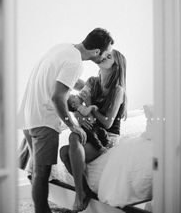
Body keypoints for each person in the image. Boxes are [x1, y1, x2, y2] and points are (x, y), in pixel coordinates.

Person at [17, 28, 114, 213]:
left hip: (28, 114)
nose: (105, 57)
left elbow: (66, 79)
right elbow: (57, 98)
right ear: (96, 52)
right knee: (42, 173)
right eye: (105, 54)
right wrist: (72, 126)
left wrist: (87, 86)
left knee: (37, 171)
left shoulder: (64, 48)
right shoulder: (75, 63)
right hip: (44, 120)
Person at [60, 49, 127, 212]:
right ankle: (83, 191)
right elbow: (76, 106)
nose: (104, 56)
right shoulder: (91, 82)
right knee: (65, 150)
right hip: (91, 132)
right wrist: (80, 115)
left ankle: (80, 194)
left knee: (69, 149)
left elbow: (108, 124)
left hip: (107, 136)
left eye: (109, 56)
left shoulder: (118, 90)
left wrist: (92, 109)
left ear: (116, 66)